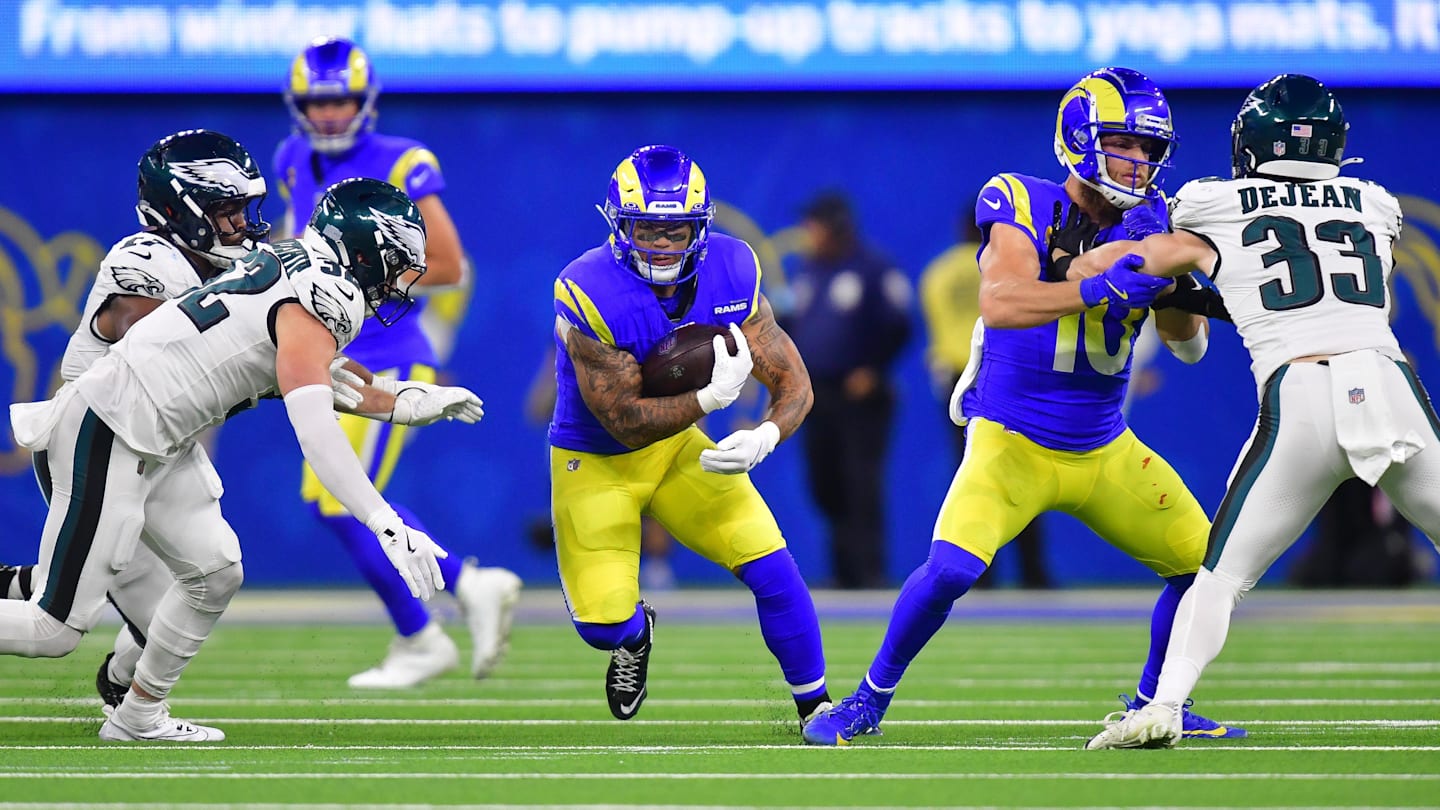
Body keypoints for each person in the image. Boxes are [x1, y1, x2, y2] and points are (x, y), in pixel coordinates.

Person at [803, 66, 1245, 746]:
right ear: (1081, 137)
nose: (1139, 160)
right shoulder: (1018, 199)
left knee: (1204, 571)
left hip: (1104, 446)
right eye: (1124, 142)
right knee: (951, 570)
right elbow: (1002, 302)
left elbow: (1188, 346)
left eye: (1150, 147)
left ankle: (1157, 702)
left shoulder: (1158, 221)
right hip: (1013, 438)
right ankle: (866, 702)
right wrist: (1097, 285)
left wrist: (1170, 282)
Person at [4, 175, 476, 742]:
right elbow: (316, 430)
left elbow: (323, 376)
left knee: (216, 571)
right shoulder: (323, 296)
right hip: (112, 425)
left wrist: (403, 401)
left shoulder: (294, 263)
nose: (399, 281)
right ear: (362, 251)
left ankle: (138, 716)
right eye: (395, 262)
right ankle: (129, 704)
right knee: (53, 629)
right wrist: (385, 523)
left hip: (154, 436)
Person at [1078, 74, 1440, 749]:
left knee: (1221, 578)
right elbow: (1334, 288)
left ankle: (1163, 706)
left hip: (1300, 395)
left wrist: (1127, 254)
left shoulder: (1211, 202)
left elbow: (1134, 264)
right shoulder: (1375, 203)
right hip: (1388, 385)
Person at [549, 144, 832, 730]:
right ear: (619, 226)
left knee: (772, 566)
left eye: (674, 230)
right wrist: (707, 401)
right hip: (596, 459)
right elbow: (622, 420)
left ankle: (817, 708)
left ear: (698, 227)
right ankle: (636, 635)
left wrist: (767, 434)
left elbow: (795, 383)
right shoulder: (588, 288)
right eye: (646, 229)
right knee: (602, 625)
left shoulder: (733, 268)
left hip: (677, 448)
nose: (661, 244)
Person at [276, 35, 521, 688]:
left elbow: (448, 265)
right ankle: (461, 592)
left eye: (341, 102)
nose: (329, 114)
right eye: (317, 104)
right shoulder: (292, 158)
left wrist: (361, 277)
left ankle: (424, 633)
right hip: (328, 352)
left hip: (387, 353)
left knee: (339, 501)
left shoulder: (402, 161)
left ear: (366, 102)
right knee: (331, 500)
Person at [1, 130, 276, 712]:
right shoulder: (146, 262)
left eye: (242, 208)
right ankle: (54, 603)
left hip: (159, 451)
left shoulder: (223, 269)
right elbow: (171, 359)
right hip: (99, 444)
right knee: (56, 628)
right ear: (182, 211)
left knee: (203, 588)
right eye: (226, 209)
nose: (240, 224)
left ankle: (116, 677)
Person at [785, 191, 912, 589]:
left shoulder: (874, 269)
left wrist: (873, 368)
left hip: (860, 395)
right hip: (817, 394)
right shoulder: (808, 272)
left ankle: (868, 571)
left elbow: (900, 325)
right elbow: (791, 325)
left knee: (861, 481)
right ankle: (843, 570)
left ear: (836, 227)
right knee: (824, 481)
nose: (807, 232)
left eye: (814, 225)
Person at [918, 212, 1051, 589]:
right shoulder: (1010, 268)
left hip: (957, 382)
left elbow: (937, 329)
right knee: (1020, 471)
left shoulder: (938, 273)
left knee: (970, 475)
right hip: (1006, 377)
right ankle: (1032, 571)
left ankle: (977, 571)